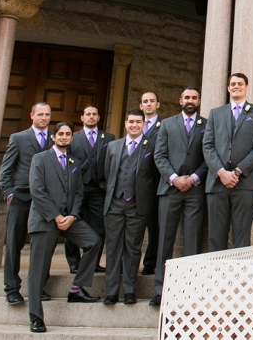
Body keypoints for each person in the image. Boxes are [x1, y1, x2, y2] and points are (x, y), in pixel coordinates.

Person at [26, 122, 102, 333]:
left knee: (93, 241)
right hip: (44, 220)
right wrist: (56, 216)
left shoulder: (74, 162)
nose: (64, 137)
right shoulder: (40, 159)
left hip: (68, 219)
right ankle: (36, 317)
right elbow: (37, 190)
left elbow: (79, 193)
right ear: (53, 137)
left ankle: (77, 289)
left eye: (68, 134)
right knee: (38, 269)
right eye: (60, 134)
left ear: (71, 138)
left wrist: (72, 216)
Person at [151, 87, 207, 307]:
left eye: (194, 97)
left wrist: (193, 178)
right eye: (187, 97)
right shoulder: (167, 124)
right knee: (165, 239)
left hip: (195, 190)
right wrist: (174, 178)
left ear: (199, 101)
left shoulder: (207, 124)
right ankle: (160, 290)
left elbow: (209, 155)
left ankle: (190, 289)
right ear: (180, 100)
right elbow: (159, 155)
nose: (190, 101)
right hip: (169, 190)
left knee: (192, 241)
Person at [203, 73, 253, 251]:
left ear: (247, 87)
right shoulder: (216, 114)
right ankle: (218, 275)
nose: (236, 86)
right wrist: (221, 172)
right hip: (217, 183)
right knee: (216, 234)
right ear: (228, 88)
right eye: (232, 84)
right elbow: (207, 145)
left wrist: (238, 171)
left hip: (245, 182)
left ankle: (241, 276)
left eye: (240, 84)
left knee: (241, 234)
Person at [102, 110, 159, 304]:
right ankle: (111, 291)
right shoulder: (112, 146)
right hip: (115, 203)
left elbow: (154, 176)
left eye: (138, 122)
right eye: (131, 122)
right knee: (112, 248)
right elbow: (107, 174)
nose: (134, 125)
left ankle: (129, 290)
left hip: (138, 205)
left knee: (133, 248)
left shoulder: (152, 145)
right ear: (125, 123)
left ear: (144, 124)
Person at [0, 101, 52, 306]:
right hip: (20, 198)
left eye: (47, 115)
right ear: (32, 115)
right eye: (40, 114)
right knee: (14, 243)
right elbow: (5, 171)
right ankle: (11, 288)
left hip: (44, 201)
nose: (44, 118)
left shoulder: (55, 139)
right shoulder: (18, 138)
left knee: (42, 244)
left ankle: (39, 287)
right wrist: (10, 194)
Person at [64, 105, 113, 275]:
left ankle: (93, 262)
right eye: (88, 114)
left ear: (99, 118)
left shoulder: (108, 138)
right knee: (72, 224)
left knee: (99, 226)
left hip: (99, 188)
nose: (91, 117)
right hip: (77, 188)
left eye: (94, 114)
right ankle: (74, 262)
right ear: (82, 118)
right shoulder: (73, 137)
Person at [138, 91, 162, 275]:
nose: (148, 104)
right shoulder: (135, 125)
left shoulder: (164, 127)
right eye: (145, 102)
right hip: (135, 186)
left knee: (154, 226)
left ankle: (150, 262)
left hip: (155, 183)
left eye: (151, 101)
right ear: (141, 106)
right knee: (133, 226)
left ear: (157, 105)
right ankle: (130, 261)